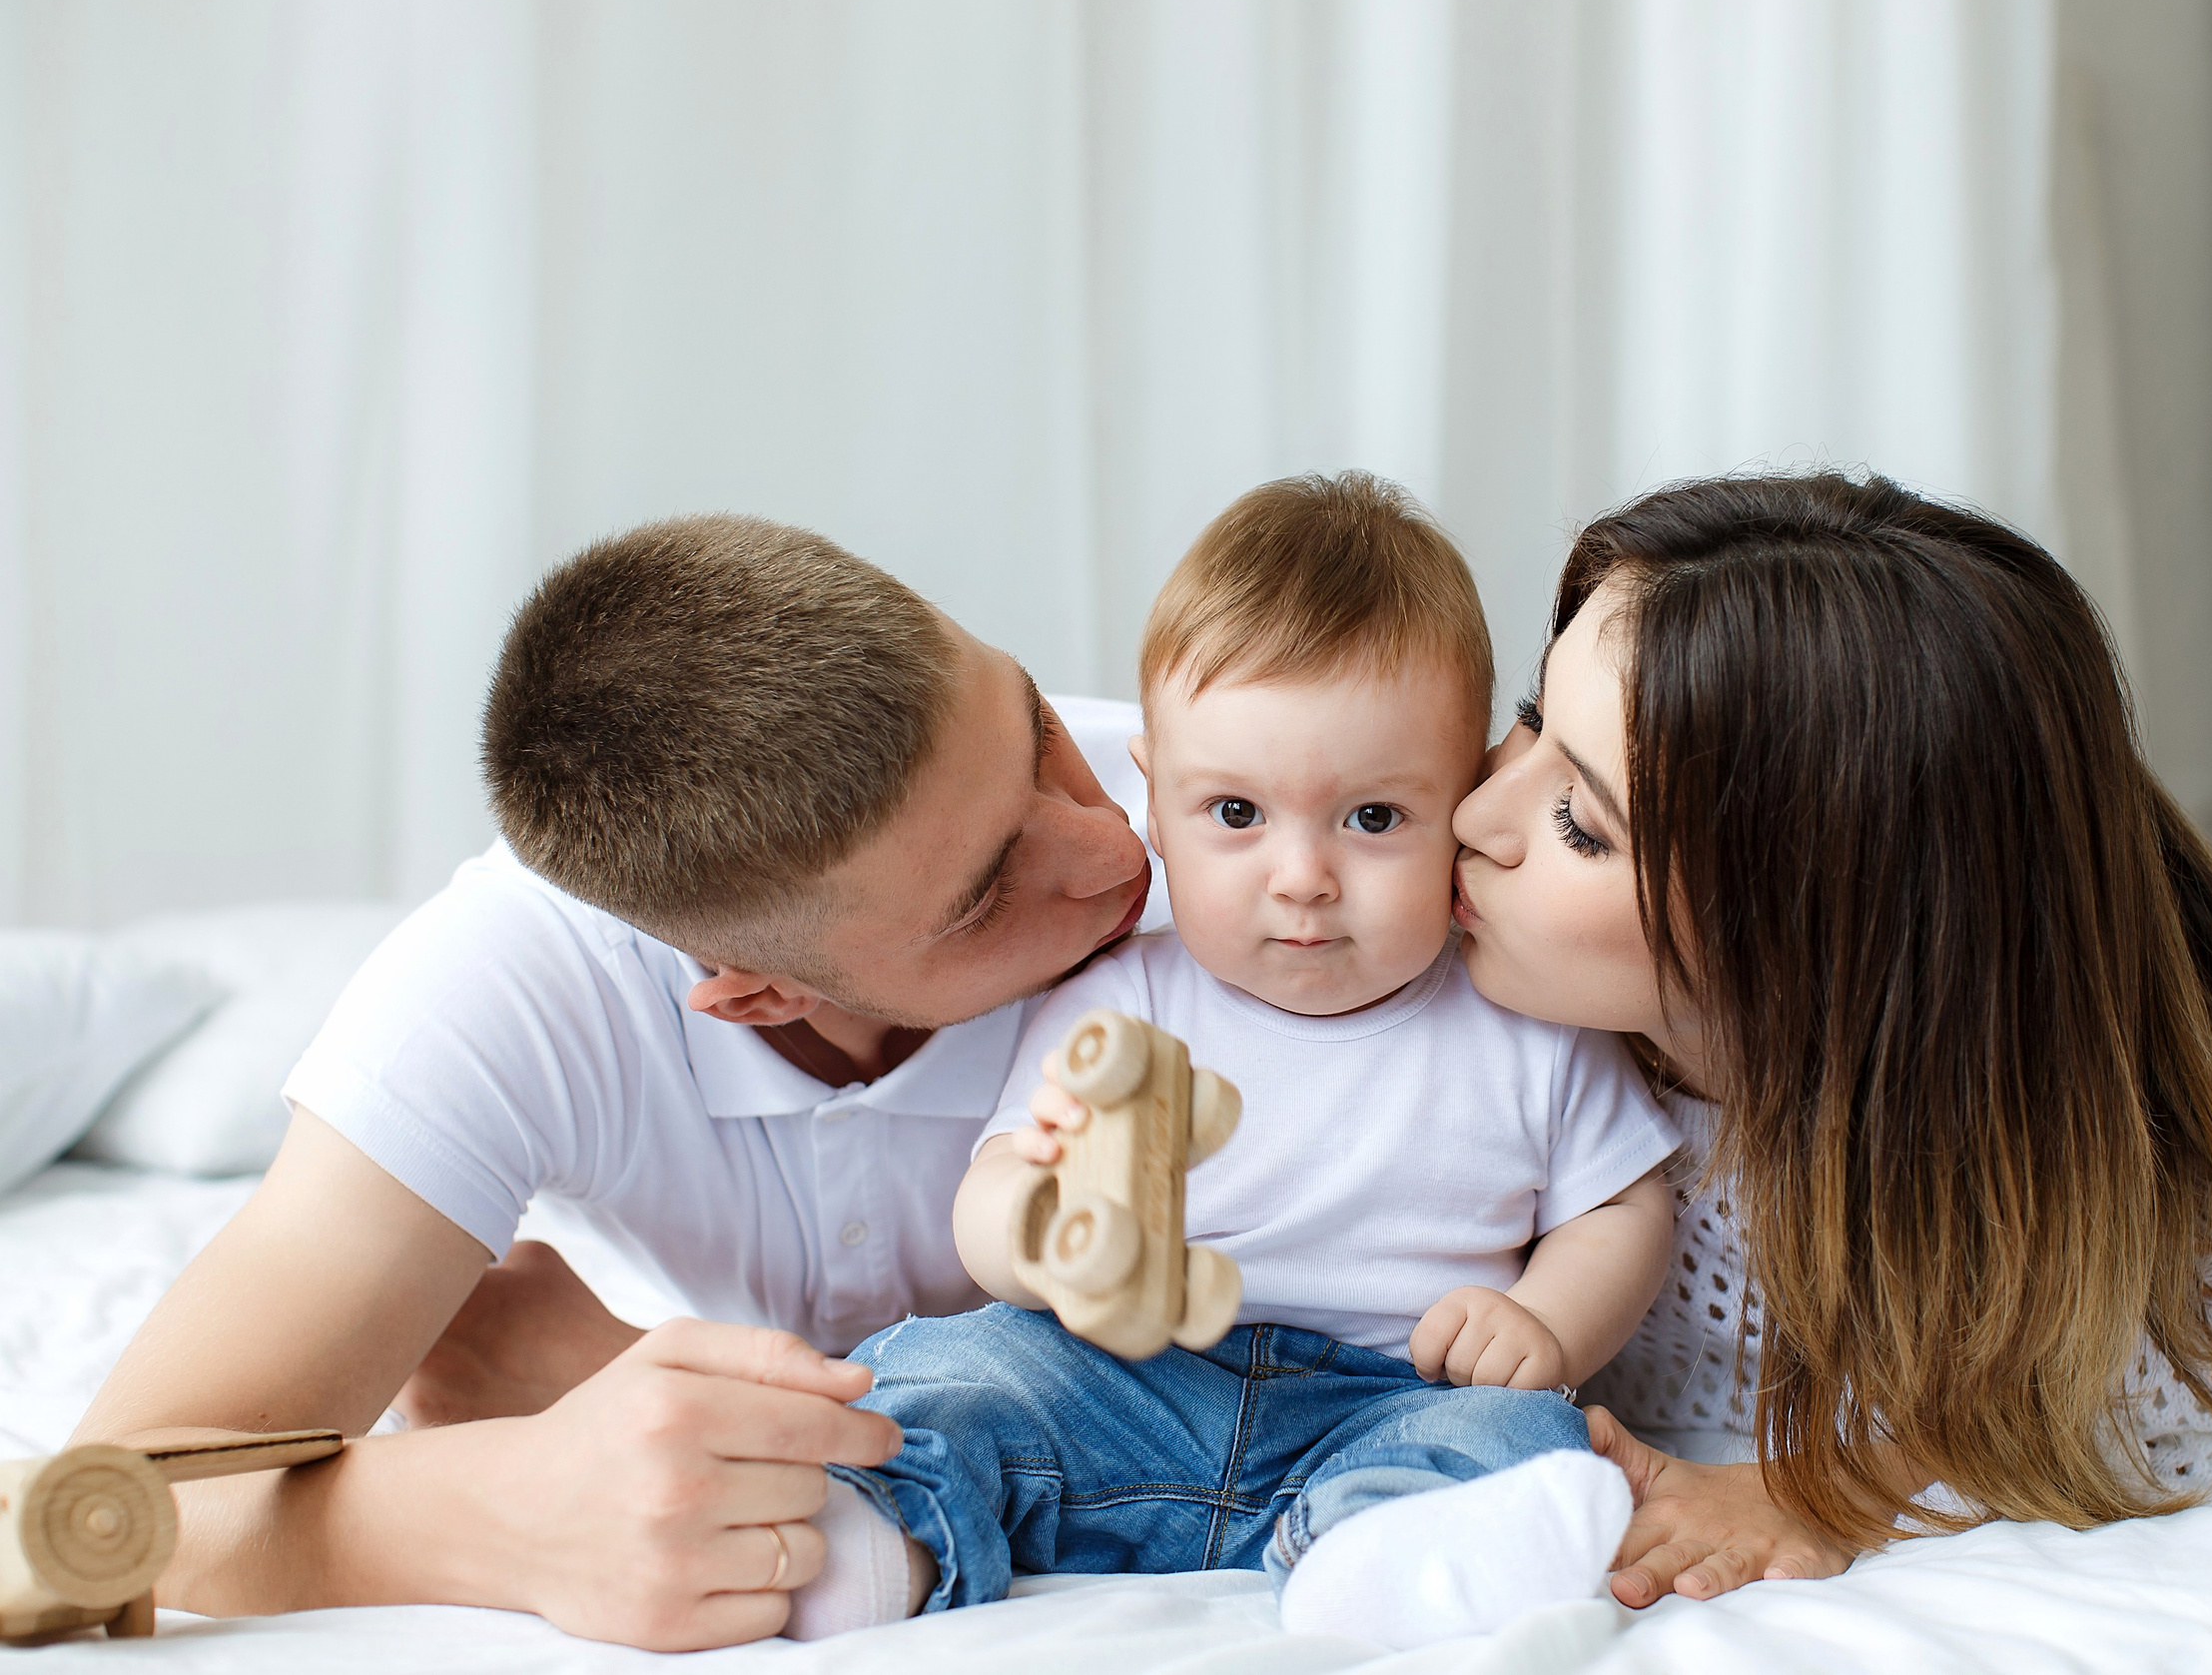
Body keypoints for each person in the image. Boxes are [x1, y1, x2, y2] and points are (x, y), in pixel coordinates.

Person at [70, 515, 1162, 1651]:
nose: (1117, 847)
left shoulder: (1271, 836)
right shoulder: (519, 983)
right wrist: (505, 1513)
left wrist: (593, 1375)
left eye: (1035, 730)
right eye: (983, 898)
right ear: (755, 996)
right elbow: (126, 1497)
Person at [783, 472, 1682, 1647]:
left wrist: (1547, 1326)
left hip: (1390, 1395)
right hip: (1126, 1377)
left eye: (1371, 819)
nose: (1301, 876)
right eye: (1236, 815)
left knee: (1522, 1437)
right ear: (1154, 800)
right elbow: (995, 1186)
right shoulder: (1119, 998)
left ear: (1465, 793)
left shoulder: (1525, 1016)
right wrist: (1042, 1240)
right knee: (958, 1371)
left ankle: (1382, 1558)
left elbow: (1622, 1210)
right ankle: (881, 1535)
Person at [1450, 471, 2212, 1604]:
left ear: (1817, 926)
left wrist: (1826, 1488)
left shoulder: (2060, 1164)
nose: (1473, 815)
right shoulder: (1465, 970)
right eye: (1534, 718)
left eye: (1579, 825)